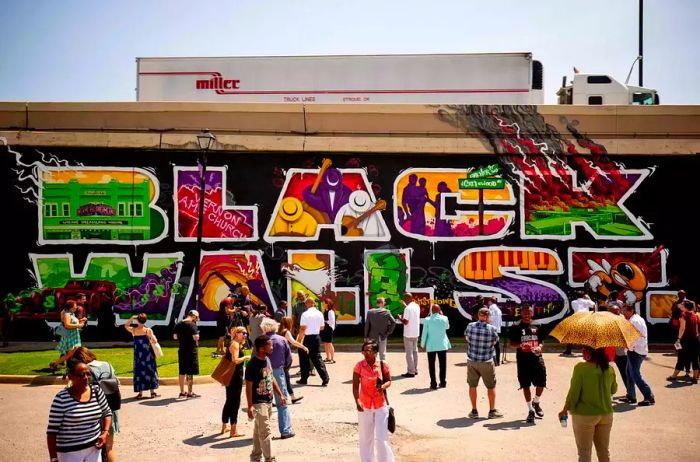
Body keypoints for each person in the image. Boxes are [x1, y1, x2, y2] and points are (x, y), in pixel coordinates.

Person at [558, 346, 617, 462]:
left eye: (584, 350)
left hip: (585, 415)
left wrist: (565, 409)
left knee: (584, 453)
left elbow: (574, 393)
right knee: (604, 452)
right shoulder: (609, 369)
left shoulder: (581, 368)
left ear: (589, 353)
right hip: (606, 414)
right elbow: (613, 390)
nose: (582, 352)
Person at [47, 358, 112, 462]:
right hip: (69, 454)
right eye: (81, 375)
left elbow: (107, 412)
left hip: (94, 450)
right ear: (71, 377)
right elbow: (52, 432)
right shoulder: (61, 399)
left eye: (88, 374)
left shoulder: (97, 391)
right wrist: (53, 458)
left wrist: (105, 432)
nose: (86, 378)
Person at [71, 347, 120, 462]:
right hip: (112, 408)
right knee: (109, 447)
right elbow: (117, 382)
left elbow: (85, 392)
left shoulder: (87, 371)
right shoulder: (107, 364)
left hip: (96, 413)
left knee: (95, 450)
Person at [245, 334, 287, 462]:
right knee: (266, 432)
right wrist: (250, 405)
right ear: (262, 348)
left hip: (268, 402)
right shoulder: (252, 365)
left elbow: (271, 377)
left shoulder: (267, 360)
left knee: (259, 430)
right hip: (259, 404)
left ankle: (255, 457)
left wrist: (280, 394)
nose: (272, 347)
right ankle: (270, 459)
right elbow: (248, 386)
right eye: (269, 345)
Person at [352, 339, 395, 462]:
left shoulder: (383, 364)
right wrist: (357, 400)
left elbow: (389, 380)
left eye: (368, 351)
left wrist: (383, 387)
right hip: (364, 405)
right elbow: (355, 386)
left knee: (382, 438)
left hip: (381, 405)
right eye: (363, 351)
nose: (365, 353)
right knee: (365, 438)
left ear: (375, 352)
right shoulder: (359, 366)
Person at [509, 305, 547, 423]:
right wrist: (521, 345)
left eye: (528, 313)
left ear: (532, 314)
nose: (526, 316)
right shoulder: (516, 327)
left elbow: (541, 341)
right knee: (525, 385)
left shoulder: (537, 326)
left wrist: (540, 347)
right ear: (521, 314)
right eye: (524, 313)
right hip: (523, 360)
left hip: (537, 358)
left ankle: (536, 402)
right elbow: (512, 344)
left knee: (541, 383)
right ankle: (530, 410)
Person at [464, 307, 502, 419]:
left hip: (472, 361)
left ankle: (474, 411)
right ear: (488, 316)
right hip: (486, 361)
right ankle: (492, 411)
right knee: (491, 387)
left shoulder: (470, 326)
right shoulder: (492, 329)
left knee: (472, 386)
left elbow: (467, 338)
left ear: (479, 315)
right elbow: (495, 342)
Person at [261, 318, 295, 438]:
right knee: (282, 401)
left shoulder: (261, 341)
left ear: (264, 328)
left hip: (263, 371)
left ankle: (262, 430)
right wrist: (284, 369)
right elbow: (289, 358)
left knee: (263, 402)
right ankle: (286, 430)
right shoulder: (282, 339)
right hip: (278, 371)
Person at [621, 305, 655, 406]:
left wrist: (631, 348)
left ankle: (649, 396)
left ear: (631, 311)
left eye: (625, 311)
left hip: (636, 351)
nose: (623, 313)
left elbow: (639, 337)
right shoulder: (634, 319)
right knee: (629, 373)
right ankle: (631, 396)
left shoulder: (635, 321)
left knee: (635, 375)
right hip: (634, 350)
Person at [221, 326, 250, 437]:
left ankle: (225, 426)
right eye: (243, 333)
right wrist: (246, 357)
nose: (245, 335)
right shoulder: (235, 344)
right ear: (237, 333)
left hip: (231, 376)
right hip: (235, 376)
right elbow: (235, 360)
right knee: (235, 402)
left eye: (246, 333)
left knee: (229, 400)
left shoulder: (235, 344)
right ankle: (233, 430)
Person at [124, 313, 160, 399]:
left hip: (138, 356)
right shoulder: (148, 330)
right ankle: (152, 392)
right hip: (148, 355)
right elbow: (154, 340)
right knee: (150, 371)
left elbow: (126, 325)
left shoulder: (134, 330)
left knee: (139, 372)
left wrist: (132, 317)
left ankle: (140, 393)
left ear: (137, 320)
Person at [296, 297, 330, 386]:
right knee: (317, 358)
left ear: (307, 304)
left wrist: (299, 340)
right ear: (314, 303)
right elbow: (322, 327)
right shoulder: (319, 313)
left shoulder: (305, 314)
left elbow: (302, 328)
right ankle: (325, 377)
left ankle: (304, 378)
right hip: (316, 337)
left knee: (304, 358)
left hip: (307, 338)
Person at [667, 299, 699, 383]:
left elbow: (682, 328)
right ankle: (695, 378)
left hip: (686, 339)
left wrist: (678, 339)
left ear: (685, 307)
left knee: (681, 357)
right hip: (695, 338)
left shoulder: (683, 315)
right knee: (695, 358)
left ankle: (674, 376)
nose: (680, 305)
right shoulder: (694, 315)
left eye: (682, 304)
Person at [50, 300, 87, 374]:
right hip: (70, 336)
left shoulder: (70, 313)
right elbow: (67, 325)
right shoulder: (67, 314)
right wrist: (79, 325)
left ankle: (69, 367)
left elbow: (72, 322)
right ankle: (55, 364)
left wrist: (80, 320)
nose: (76, 306)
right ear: (71, 306)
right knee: (70, 354)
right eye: (75, 305)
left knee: (72, 353)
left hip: (73, 335)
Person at [420, 304, 451, 389]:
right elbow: (447, 327)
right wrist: (442, 315)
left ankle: (433, 383)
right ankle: (443, 382)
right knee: (443, 364)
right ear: (439, 310)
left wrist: (422, 344)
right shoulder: (444, 318)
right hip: (442, 344)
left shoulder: (427, 319)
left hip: (431, 345)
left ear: (431, 310)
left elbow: (424, 333)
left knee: (431, 365)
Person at [277, 316, 307, 404]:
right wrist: (303, 346)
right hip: (284, 357)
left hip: (280, 356)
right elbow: (293, 342)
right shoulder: (286, 332)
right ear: (289, 323)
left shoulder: (279, 331)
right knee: (285, 377)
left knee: (282, 377)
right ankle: (291, 397)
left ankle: (290, 396)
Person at [173, 310, 200, 399]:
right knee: (190, 372)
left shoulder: (179, 324)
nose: (196, 320)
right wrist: (197, 338)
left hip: (182, 350)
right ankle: (190, 392)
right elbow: (195, 337)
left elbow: (175, 337)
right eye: (196, 318)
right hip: (191, 350)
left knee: (182, 371)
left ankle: (181, 392)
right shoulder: (192, 325)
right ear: (194, 317)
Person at [564, 291, 596, 356]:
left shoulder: (573, 302)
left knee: (571, 335)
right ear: (583, 296)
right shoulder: (587, 301)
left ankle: (568, 350)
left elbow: (574, 308)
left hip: (577, 319)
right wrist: (589, 299)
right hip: (586, 319)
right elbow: (593, 305)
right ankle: (588, 350)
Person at [606, 301, 628, 391]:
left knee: (624, 372)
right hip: (612, 350)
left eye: (617, 312)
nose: (616, 313)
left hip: (621, 351)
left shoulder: (621, 320)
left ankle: (630, 391)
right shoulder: (611, 320)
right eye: (613, 312)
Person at [399, 292, 420, 377]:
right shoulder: (416, 306)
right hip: (416, 332)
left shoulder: (407, 309)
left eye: (404, 298)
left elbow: (405, 322)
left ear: (407, 299)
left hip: (408, 334)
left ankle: (411, 372)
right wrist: (405, 306)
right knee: (415, 351)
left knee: (409, 353)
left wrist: (399, 317)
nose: (404, 300)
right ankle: (415, 369)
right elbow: (411, 313)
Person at [487, 296, 503, 365]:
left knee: (490, 345)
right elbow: (500, 321)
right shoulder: (498, 309)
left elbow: (490, 319)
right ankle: (497, 361)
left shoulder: (491, 308)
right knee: (497, 346)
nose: (488, 302)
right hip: (497, 328)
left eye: (488, 301)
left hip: (491, 329)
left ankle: (492, 361)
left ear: (490, 301)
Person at [321, 298, 336, 363]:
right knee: (325, 343)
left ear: (327, 304)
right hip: (325, 329)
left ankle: (332, 358)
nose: (323, 304)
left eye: (324, 303)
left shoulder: (331, 311)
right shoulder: (325, 311)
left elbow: (331, 321)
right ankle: (328, 357)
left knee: (329, 343)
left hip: (329, 329)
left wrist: (324, 321)